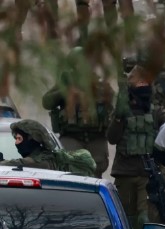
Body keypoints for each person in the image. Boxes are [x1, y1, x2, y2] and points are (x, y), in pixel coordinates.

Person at [107, 64, 165, 229]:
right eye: (138, 82)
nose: (142, 85)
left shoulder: (156, 110)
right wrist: (118, 117)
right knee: (124, 219)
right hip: (125, 172)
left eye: (145, 82)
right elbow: (112, 138)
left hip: (148, 174)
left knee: (146, 218)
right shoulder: (122, 109)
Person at [42, 46, 114, 179]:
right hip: (71, 136)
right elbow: (47, 102)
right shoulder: (65, 83)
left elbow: (111, 103)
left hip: (96, 137)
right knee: (70, 171)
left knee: (96, 171)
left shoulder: (98, 82)